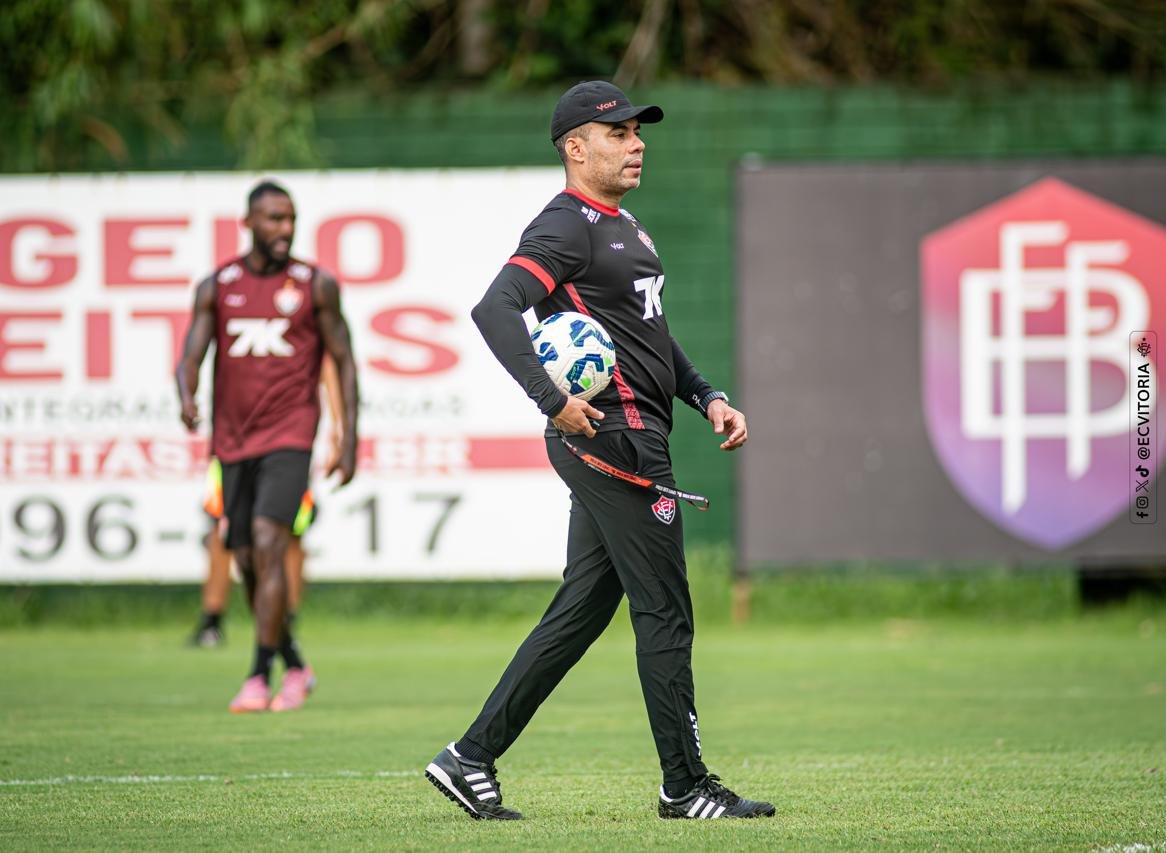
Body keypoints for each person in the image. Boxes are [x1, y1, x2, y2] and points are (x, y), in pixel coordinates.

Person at [424, 81, 775, 821]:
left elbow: (652, 335)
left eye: (638, 131)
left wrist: (706, 395)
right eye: (619, 133)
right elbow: (496, 307)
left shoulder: (628, 228)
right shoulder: (567, 225)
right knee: (665, 612)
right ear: (576, 149)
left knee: (582, 610)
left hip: (633, 435)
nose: (636, 143)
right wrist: (551, 399)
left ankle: (469, 756)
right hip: (612, 439)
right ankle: (685, 785)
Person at [176, 180, 358, 713]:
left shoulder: (315, 285)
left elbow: (344, 360)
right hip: (232, 440)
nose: (285, 228)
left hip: (289, 434)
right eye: (275, 219)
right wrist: (186, 396)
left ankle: (258, 676)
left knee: (268, 540)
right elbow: (191, 355)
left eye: (291, 219)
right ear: (249, 223)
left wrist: (348, 438)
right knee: (246, 556)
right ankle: (295, 663)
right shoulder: (217, 286)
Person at [189, 356, 345, 648]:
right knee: (223, 532)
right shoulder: (236, 329)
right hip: (236, 444)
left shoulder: (302, 332)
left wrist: (339, 427)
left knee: (292, 532)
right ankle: (212, 620)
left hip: (288, 447)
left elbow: (327, 369)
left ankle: (287, 621)